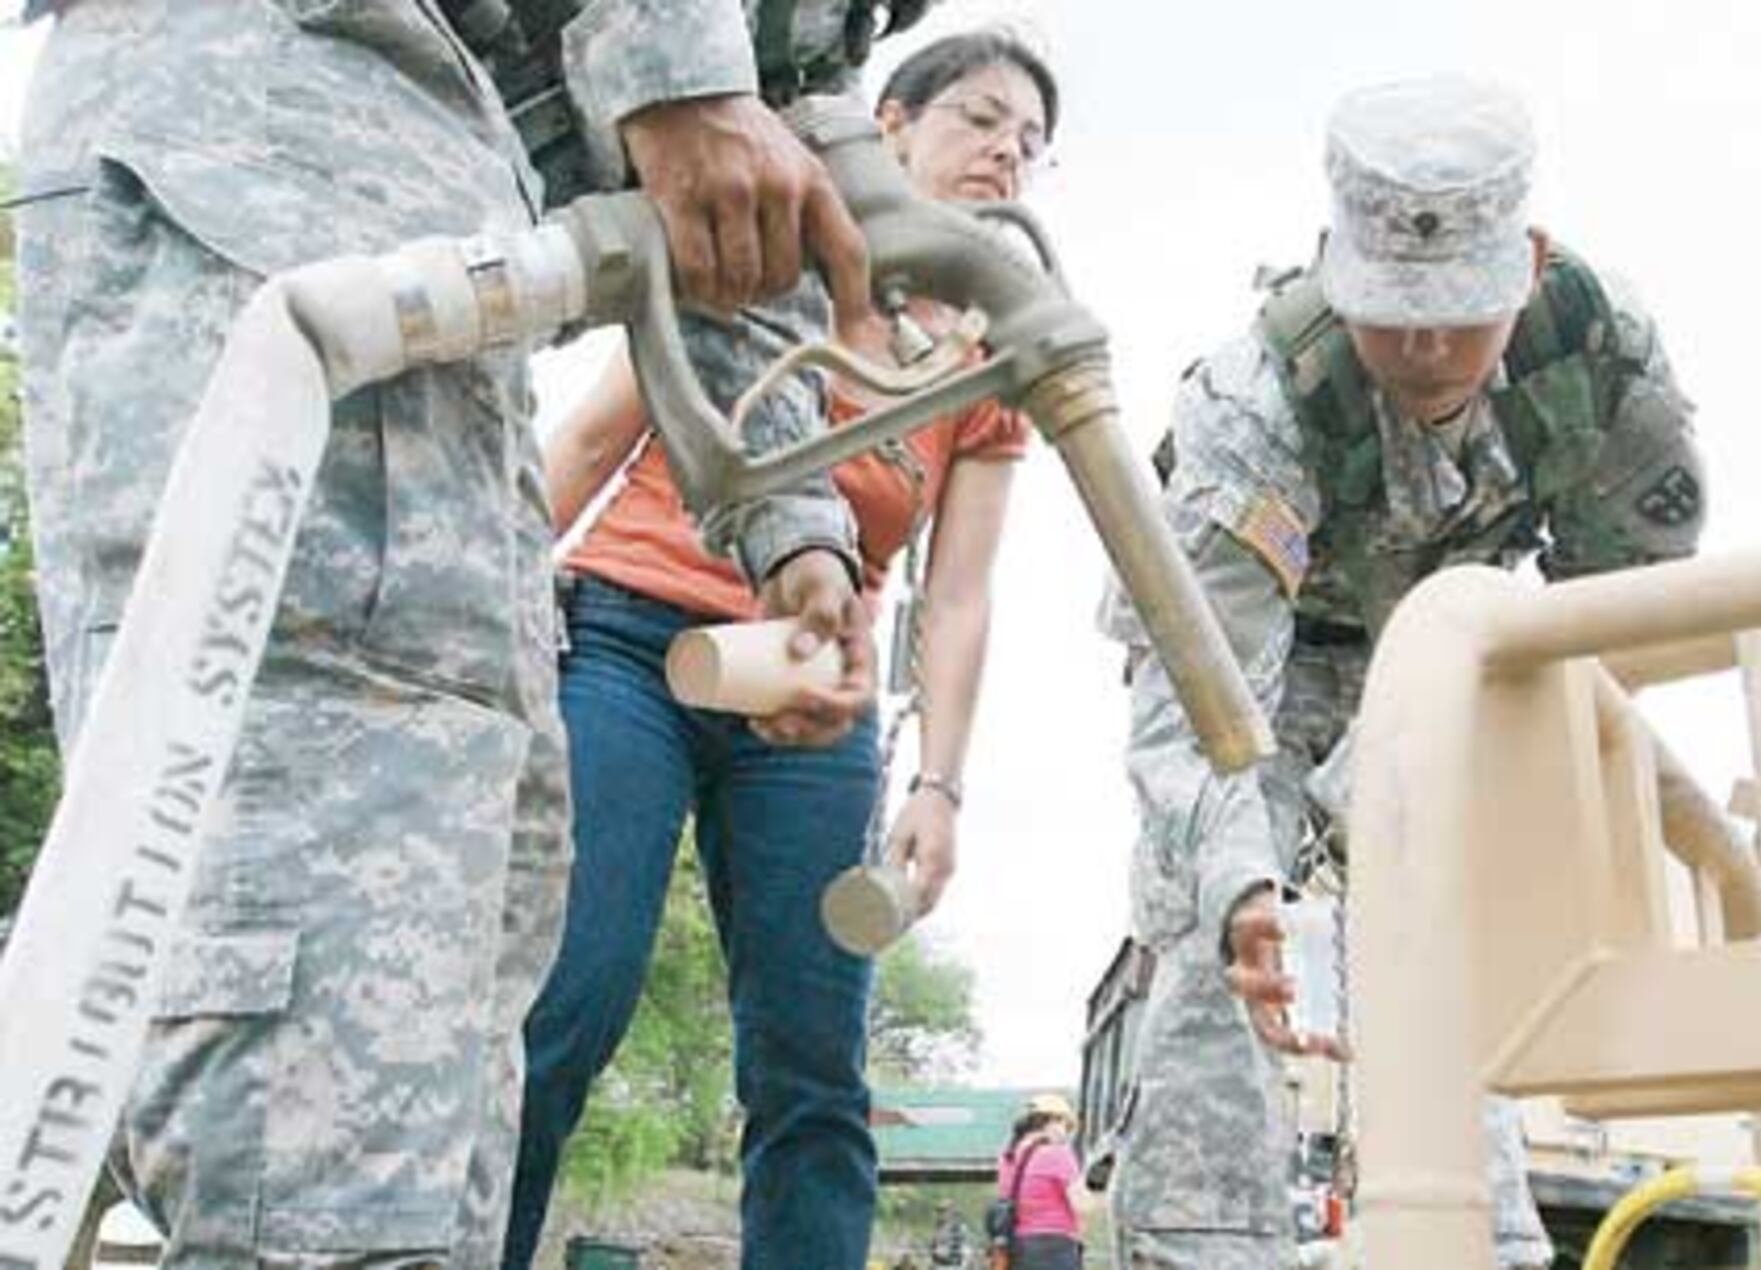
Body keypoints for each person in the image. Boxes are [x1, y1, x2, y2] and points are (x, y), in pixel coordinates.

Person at [11, 0, 892, 1264]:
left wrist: (796, 531)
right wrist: (673, 65)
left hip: (448, 233)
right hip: (278, 145)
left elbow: (738, 207)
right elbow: (703, 105)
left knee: (456, 953)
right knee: (327, 972)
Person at [1106, 77, 1708, 1269]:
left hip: (1462, 663)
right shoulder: (1256, 399)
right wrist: (1243, 887)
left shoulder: (1598, 357)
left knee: (1440, 921)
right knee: (1212, 926)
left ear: (1525, 263)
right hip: (1268, 679)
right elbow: (1202, 686)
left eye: (1459, 312)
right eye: (1391, 313)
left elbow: (1628, 609)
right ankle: (1200, 1243)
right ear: (1335, 266)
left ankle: (1471, 1236)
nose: (1426, 347)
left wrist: (1481, 775)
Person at [503, 29, 1061, 1270]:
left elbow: (958, 595)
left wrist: (940, 785)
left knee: (814, 1060)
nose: (1006, 155)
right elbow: (594, 443)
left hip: (815, 694)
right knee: (567, 997)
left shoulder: (981, 360)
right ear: (891, 124)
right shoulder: (770, 244)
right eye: (979, 119)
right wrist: (481, 610)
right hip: (634, 640)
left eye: (1030, 146)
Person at [993, 1094, 1092, 1270]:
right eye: (1066, 1126)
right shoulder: (1057, 1154)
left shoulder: (1007, 1158)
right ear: (1053, 1121)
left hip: (1017, 1247)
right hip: (1054, 1248)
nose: (1066, 1134)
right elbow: (1082, 1206)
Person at [929, 1201, 974, 1268]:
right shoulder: (938, 1227)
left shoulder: (959, 1228)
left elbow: (966, 1247)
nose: (941, 1214)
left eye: (944, 1211)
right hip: (939, 1265)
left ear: (952, 1212)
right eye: (940, 1212)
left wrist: (964, 1263)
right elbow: (933, 1247)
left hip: (954, 1265)